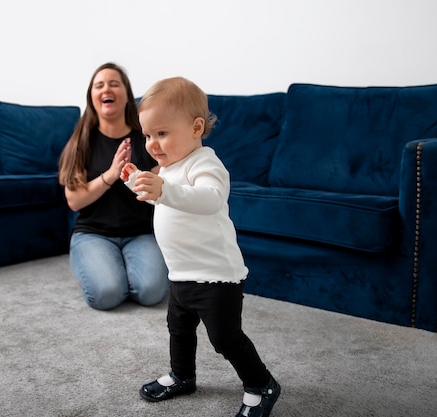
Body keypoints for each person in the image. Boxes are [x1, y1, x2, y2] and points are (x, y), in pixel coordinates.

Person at [120, 76, 280, 417]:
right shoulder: (169, 168)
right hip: (181, 273)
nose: (151, 143)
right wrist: (140, 183)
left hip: (216, 276)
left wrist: (163, 189)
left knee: (224, 338)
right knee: (178, 329)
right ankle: (182, 375)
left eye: (161, 133)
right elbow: (165, 200)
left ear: (195, 128)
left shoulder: (205, 163)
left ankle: (260, 382)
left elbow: (209, 200)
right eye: (147, 135)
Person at [58, 62, 169, 311]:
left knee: (152, 293)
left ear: (127, 95)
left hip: (141, 232)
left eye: (114, 83)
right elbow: (74, 201)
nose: (106, 88)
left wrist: (135, 174)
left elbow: (163, 176)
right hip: (93, 234)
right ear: (93, 97)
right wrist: (111, 174)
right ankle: (102, 268)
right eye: (99, 85)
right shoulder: (80, 142)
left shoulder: (146, 138)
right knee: (106, 295)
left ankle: (119, 269)